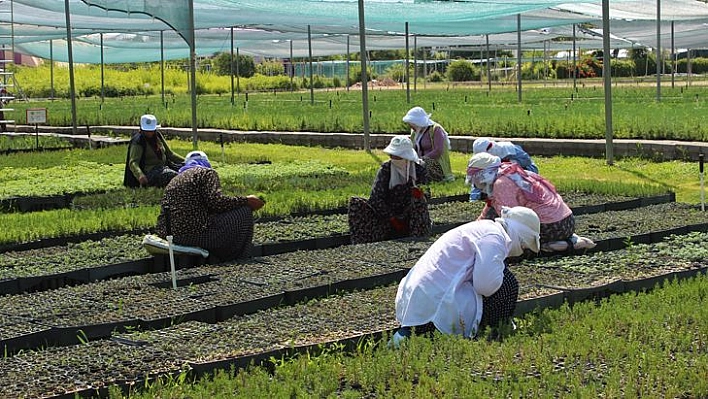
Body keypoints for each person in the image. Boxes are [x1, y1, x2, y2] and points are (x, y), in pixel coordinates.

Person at [392, 206, 541, 345]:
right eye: (524, 246)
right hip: (435, 298)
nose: (521, 251)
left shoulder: (485, 229)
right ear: (521, 235)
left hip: (419, 294)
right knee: (507, 283)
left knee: (415, 331)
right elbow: (485, 286)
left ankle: (401, 341)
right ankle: (490, 334)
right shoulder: (494, 238)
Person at [466, 152, 595, 252]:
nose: (475, 184)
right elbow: (490, 209)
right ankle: (569, 239)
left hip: (551, 226)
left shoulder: (501, 184)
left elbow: (509, 220)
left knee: (518, 246)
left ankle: (567, 245)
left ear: (483, 176)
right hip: (567, 221)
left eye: (474, 180)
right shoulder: (510, 171)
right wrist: (473, 230)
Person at [156, 150, 265, 263]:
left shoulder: (174, 180)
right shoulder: (206, 173)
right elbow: (216, 202)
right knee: (244, 211)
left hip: (168, 234)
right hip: (193, 235)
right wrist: (246, 200)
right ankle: (237, 256)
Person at [348, 135, 431, 244]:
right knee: (356, 204)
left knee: (419, 202)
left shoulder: (419, 170)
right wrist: (392, 219)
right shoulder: (386, 169)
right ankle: (364, 242)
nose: (394, 159)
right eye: (393, 156)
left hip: (410, 217)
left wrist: (420, 195)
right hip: (386, 218)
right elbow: (375, 198)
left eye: (398, 157)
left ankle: (417, 240)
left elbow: (427, 195)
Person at [123, 114, 185, 188]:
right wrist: (140, 175)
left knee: (185, 169)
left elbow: (170, 154)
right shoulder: (138, 141)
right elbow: (133, 163)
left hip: (163, 167)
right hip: (150, 172)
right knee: (172, 176)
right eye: (147, 131)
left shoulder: (157, 136)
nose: (150, 133)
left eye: (151, 130)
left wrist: (186, 161)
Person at [470, 137, 538, 201]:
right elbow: (477, 178)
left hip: (526, 170)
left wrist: (507, 163)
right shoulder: (480, 160)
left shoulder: (508, 148)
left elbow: (526, 161)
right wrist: (473, 199)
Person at [402, 106, 455, 182]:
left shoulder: (435, 130)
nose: (410, 126)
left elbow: (438, 151)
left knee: (421, 167)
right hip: (419, 163)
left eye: (411, 124)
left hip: (434, 164)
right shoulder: (414, 133)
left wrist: (422, 160)